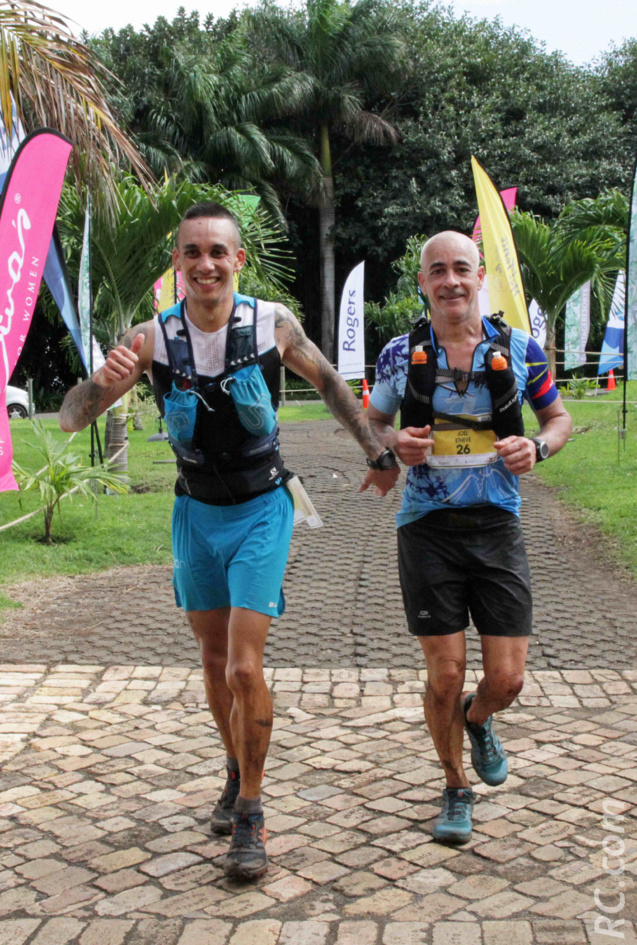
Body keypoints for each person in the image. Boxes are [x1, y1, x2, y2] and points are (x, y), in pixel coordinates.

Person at [59, 202, 399, 880]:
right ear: (177, 263)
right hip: (195, 515)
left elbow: (329, 382)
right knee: (214, 663)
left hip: (261, 510)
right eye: (193, 252)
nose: (206, 264)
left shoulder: (271, 324)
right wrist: (100, 383)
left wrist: (376, 450)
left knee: (245, 668)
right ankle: (234, 764)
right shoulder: (150, 338)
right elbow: (72, 417)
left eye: (218, 251)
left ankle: (250, 810)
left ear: (237, 260)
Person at [362, 230, 572, 844]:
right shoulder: (400, 355)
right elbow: (372, 421)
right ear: (422, 282)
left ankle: (478, 721)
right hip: (426, 529)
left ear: (480, 276)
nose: (450, 281)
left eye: (461, 268)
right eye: (438, 271)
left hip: (497, 525)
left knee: (506, 680)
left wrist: (538, 448)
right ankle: (455, 786)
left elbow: (557, 419)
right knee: (446, 673)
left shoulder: (521, 350)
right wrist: (392, 444)